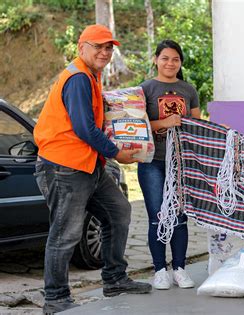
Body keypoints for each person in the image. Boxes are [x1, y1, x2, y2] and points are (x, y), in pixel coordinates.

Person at [34, 24, 152, 314]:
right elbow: (84, 128)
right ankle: (56, 298)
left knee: (119, 212)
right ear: (81, 47)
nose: (104, 51)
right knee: (65, 233)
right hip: (64, 167)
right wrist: (116, 153)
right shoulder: (77, 79)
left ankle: (114, 278)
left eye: (109, 47)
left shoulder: (90, 76)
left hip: (88, 164)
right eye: (98, 46)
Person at [139, 40, 201, 290]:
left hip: (181, 164)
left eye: (175, 59)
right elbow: (135, 127)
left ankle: (179, 268)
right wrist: (164, 123)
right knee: (157, 216)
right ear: (156, 59)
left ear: (180, 63)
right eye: (165, 58)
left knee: (179, 217)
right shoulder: (144, 89)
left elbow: (198, 127)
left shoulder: (188, 89)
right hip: (152, 161)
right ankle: (159, 270)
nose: (170, 63)